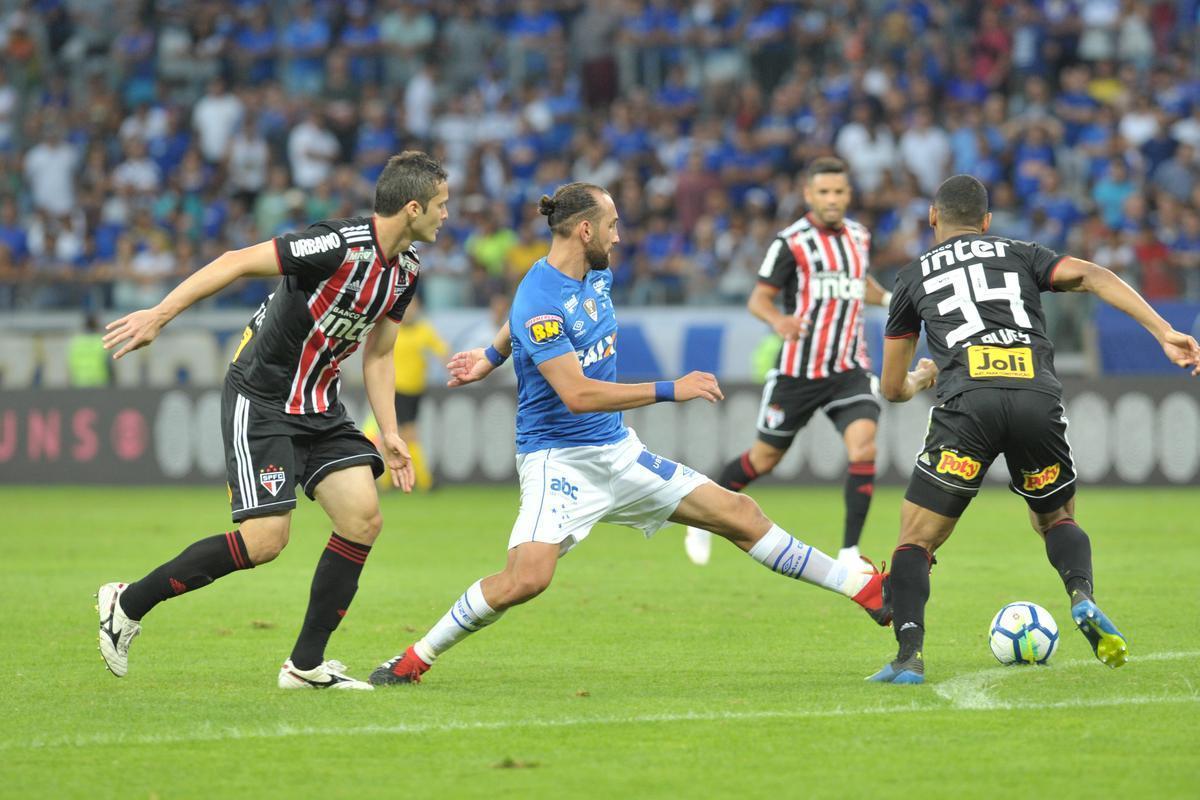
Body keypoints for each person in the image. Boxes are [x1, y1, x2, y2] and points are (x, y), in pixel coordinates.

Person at [367, 182, 890, 687]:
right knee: (525, 579)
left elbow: (515, 327)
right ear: (586, 231)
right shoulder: (541, 300)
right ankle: (416, 657)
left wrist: (488, 356)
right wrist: (670, 388)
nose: (620, 236)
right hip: (558, 459)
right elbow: (577, 393)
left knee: (740, 514)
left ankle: (863, 588)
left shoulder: (594, 272)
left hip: (617, 452)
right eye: (613, 226)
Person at [97, 151, 450, 690]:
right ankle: (128, 602)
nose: (446, 215)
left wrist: (393, 432)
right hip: (261, 398)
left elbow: (379, 356)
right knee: (265, 541)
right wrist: (158, 316)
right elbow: (236, 260)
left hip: (319, 405)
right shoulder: (336, 244)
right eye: (441, 205)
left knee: (362, 519)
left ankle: (304, 667)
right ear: (411, 207)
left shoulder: (405, 271)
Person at [869, 174, 1200, 684]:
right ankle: (1081, 594)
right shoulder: (1021, 252)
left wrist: (919, 379)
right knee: (1056, 518)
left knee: (916, 538)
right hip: (1034, 397)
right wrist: (1164, 331)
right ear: (986, 223)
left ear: (933, 217)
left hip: (967, 403)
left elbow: (891, 387)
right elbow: (1093, 274)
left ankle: (908, 655)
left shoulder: (912, 278)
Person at [685, 158, 892, 568]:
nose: (832, 199)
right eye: (824, 192)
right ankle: (701, 515)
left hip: (849, 367)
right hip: (798, 372)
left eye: (839, 192)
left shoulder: (859, 237)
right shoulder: (791, 242)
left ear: (848, 195)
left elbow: (858, 284)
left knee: (864, 445)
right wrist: (779, 319)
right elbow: (758, 298)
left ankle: (849, 552)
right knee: (764, 459)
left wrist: (888, 300)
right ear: (809, 195)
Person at [390, 295, 448, 490]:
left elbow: (442, 350)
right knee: (408, 434)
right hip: (397, 389)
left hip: (416, 390)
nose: (409, 312)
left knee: (400, 436)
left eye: (413, 307)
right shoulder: (393, 329)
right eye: (407, 308)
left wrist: (452, 365)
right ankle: (425, 481)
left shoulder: (424, 330)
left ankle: (386, 481)